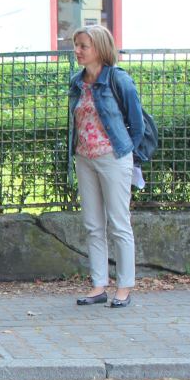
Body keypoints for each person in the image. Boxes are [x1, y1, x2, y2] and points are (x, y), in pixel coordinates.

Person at [68, 25, 144, 309]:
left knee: (119, 223)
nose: (77, 51)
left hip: (113, 158)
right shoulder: (77, 82)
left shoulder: (118, 79)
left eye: (83, 46)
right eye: (76, 45)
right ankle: (98, 285)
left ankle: (124, 287)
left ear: (99, 48)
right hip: (84, 158)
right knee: (93, 225)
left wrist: (125, 153)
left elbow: (137, 124)